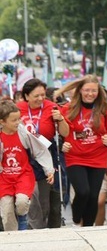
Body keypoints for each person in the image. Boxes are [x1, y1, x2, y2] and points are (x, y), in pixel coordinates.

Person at [58, 75, 107, 226]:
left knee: (93, 196)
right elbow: (59, 134)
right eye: (87, 90)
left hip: (98, 157)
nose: (90, 94)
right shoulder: (68, 109)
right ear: (80, 91)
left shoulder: (105, 109)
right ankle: (76, 217)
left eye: (94, 91)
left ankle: (88, 228)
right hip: (75, 157)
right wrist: (61, 145)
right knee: (83, 191)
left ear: (98, 92)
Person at [17, 78, 69, 229]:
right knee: (31, 195)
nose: (40, 99)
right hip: (25, 155)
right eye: (36, 96)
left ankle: (47, 225)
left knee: (45, 200)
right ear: (26, 96)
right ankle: (35, 227)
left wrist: (60, 120)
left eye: (43, 95)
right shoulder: (18, 109)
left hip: (46, 154)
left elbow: (65, 133)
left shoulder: (52, 107)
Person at [0, 100, 55, 231]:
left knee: (22, 202)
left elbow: (40, 150)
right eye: (13, 120)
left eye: (19, 118)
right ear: (2, 122)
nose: (18, 122)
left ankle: (23, 220)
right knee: (6, 211)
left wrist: (49, 170)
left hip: (22, 175)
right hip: (4, 178)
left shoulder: (23, 133)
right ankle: (13, 238)